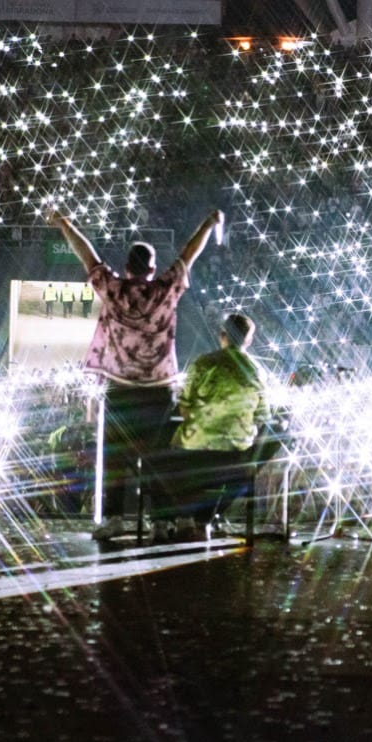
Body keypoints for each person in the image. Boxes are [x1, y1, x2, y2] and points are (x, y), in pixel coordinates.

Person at [52, 208, 224, 540]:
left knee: (116, 458)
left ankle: (115, 519)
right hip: (159, 390)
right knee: (158, 459)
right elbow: (189, 255)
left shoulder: (113, 290)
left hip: (120, 387)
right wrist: (206, 224)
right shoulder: (165, 291)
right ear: (152, 268)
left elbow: (87, 255)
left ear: (127, 267)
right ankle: (161, 522)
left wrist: (65, 224)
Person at [150, 312, 272, 539]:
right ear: (249, 339)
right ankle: (205, 519)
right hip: (235, 450)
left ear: (222, 335)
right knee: (240, 472)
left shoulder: (203, 363)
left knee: (159, 459)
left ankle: (164, 521)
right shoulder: (257, 372)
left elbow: (184, 406)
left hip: (196, 445)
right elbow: (263, 414)